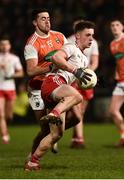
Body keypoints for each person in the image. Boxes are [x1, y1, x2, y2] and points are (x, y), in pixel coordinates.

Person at [24, 20, 95, 171]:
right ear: (77, 36)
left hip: (59, 91)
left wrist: (86, 80)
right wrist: (75, 71)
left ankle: (32, 162)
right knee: (78, 97)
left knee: (56, 135)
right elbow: (57, 58)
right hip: (52, 83)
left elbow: (75, 80)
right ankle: (55, 113)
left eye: (92, 36)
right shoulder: (71, 47)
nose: (91, 39)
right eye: (87, 35)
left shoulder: (84, 59)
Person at [24, 8, 68, 155]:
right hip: (37, 88)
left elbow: (69, 56)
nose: (47, 20)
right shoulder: (32, 43)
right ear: (35, 22)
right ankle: (32, 156)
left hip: (55, 84)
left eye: (48, 18)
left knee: (76, 117)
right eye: (43, 18)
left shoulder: (59, 36)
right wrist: (51, 66)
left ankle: (54, 136)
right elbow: (30, 71)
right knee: (44, 128)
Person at [67, 19, 99, 148]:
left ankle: (76, 138)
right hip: (72, 79)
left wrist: (87, 75)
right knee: (74, 112)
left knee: (81, 111)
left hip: (86, 79)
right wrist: (76, 74)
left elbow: (95, 62)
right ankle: (78, 138)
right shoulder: (67, 41)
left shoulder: (93, 42)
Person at [0, 35, 24, 144]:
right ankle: (5, 135)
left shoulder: (14, 58)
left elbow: (21, 73)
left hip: (10, 88)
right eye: (2, 44)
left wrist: (11, 75)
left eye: (6, 44)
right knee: (1, 114)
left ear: (9, 46)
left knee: (9, 116)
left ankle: (5, 127)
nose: (4, 46)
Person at [108, 19, 124, 147]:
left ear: (122, 27)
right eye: (112, 25)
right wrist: (116, 72)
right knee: (113, 110)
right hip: (120, 81)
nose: (114, 27)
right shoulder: (112, 44)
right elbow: (118, 61)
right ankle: (123, 136)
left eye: (117, 25)